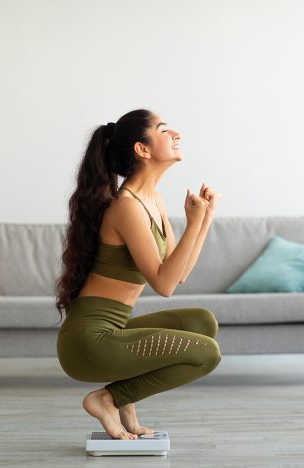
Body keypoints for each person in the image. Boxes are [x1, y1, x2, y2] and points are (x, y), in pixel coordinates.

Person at [55, 109, 221, 440]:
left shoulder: (152, 200)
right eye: (163, 129)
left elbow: (180, 273)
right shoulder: (127, 206)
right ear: (142, 149)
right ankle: (109, 399)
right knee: (207, 354)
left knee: (202, 322)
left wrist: (205, 219)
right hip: (88, 344)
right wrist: (192, 223)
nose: (175, 134)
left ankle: (124, 396)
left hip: (111, 334)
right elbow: (163, 285)